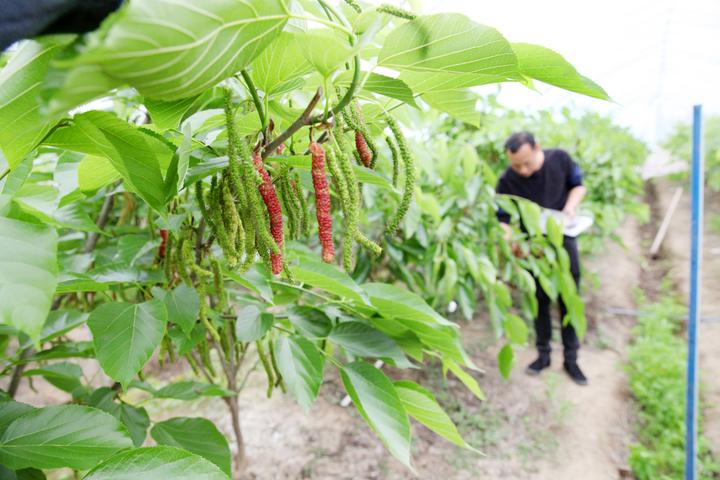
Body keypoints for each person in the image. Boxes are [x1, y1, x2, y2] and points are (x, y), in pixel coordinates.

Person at [496, 131, 588, 385]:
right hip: (533, 249)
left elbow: (578, 185)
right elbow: (502, 218)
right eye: (516, 165)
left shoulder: (560, 159)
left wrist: (569, 207)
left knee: (569, 299)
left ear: (537, 148)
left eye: (527, 162)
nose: (522, 170)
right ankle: (543, 355)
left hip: (562, 240)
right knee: (539, 301)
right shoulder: (507, 180)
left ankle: (572, 359)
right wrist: (510, 240)